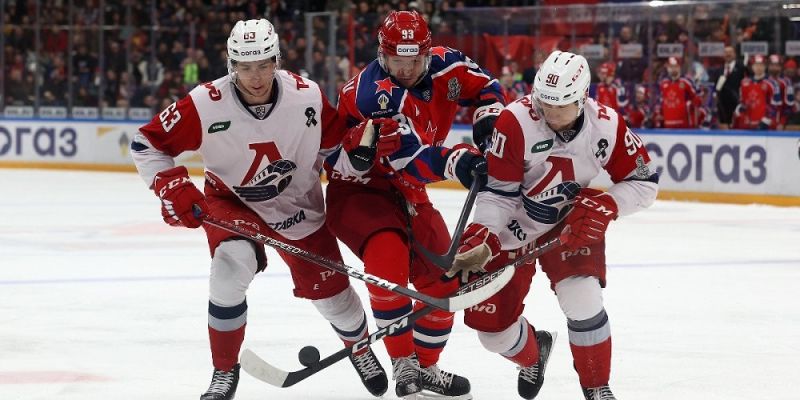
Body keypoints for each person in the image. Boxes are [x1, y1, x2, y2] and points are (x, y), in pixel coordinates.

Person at [130, 19, 388, 400]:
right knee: (229, 267)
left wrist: (359, 157)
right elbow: (146, 143)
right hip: (231, 202)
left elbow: (336, 153)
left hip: (297, 204)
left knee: (335, 298)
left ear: (276, 60)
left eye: (264, 65)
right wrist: (172, 185)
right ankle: (224, 371)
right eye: (245, 66)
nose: (255, 77)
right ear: (231, 65)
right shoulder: (204, 103)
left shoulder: (307, 97)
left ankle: (360, 348)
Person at [447, 51, 660, 400]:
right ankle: (534, 354)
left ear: (582, 98)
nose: (551, 114)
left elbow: (644, 182)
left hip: (571, 223)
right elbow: (498, 193)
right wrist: (484, 232)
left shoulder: (607, 125)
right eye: (545, 104)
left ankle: (596, 387)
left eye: (561, 106)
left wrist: (607, 205)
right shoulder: (515, 121)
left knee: (583, 300)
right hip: (512, 226)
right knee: (493, 334)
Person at [323, 10, 505, 400]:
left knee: (444, 279)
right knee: (387, 260)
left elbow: (488, 87)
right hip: (362, 188)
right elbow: (412, 160)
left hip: (408, 191)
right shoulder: (373, 94)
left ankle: (425, 368)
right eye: (396, 61)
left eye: (414, 61)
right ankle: (403, 363)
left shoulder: (448, 64)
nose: (405, 70)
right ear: (382, 55)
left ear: (427, 53)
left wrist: (488, 119)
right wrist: (459, 161)